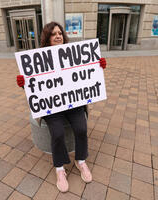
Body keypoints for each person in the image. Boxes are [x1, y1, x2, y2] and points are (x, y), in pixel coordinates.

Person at [16, 22, 106, 193]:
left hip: (74, 103)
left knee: (81, 128)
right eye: (53, 34)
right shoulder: (39, 58)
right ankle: (59, 168)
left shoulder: (75, 54)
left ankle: (81, 161)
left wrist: (98, 67)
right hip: (52, 106)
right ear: (47, 38)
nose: (58, 36)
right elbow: (35, 85)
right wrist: (23, 83)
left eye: (60, 33)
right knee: (57, 133)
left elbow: (87, 75)